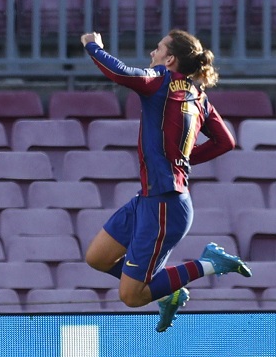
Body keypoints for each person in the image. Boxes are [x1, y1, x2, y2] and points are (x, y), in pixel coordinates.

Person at [80, 30, 252, 332]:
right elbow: (226, 141)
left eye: (158, 49)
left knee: (131, 297)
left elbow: (119, 73)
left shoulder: (161, 80)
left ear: (170, 59)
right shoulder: (198, 95)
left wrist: (92, 45)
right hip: (151, 198)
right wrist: (183, 160)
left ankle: (209, 264)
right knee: (97, 258)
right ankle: (164, 288)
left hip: (164, 205)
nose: (153, 53)